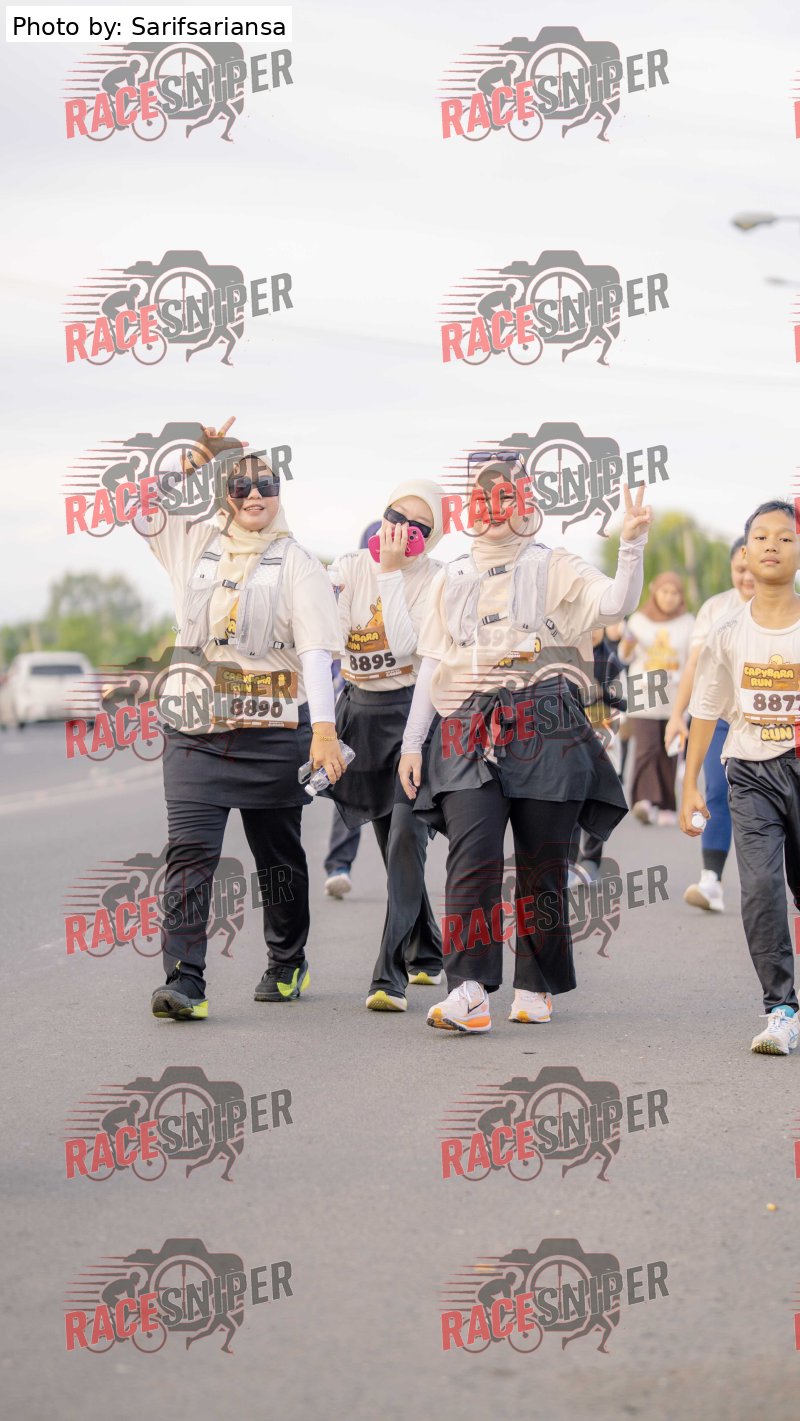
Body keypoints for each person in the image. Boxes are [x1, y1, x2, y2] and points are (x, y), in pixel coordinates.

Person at [397, 456, 652, 1034]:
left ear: (526, 502)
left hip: (546, 720)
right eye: (482, 497)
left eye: (506, 496)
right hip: (468, 722)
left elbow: (615, 604)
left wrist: (631, 545)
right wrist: (413, 744)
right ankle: (468, 991)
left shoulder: (554, 564)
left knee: (542, 863)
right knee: (471, 857)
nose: (493, 509)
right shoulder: (449, 575)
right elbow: (433, 660)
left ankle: (535, 985)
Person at [133, 417, 347, 1021]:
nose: (255, 495)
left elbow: (315, 650)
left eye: (266, 485)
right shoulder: (193, 542)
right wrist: (190, 458)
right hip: (195, 731)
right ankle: (185, 979)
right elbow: (142, 511)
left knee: (277, 858)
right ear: (223, 493)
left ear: (279, 494)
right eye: (240, 485)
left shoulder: (298, 562)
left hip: (273, 733)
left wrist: (324, 731)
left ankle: (287, 959)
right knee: (189, 853)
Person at [681, 500, 800, 1056]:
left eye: (786, 537)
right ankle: (781, 1009)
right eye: (762, 537)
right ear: (746, 554)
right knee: (760, 888)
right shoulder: (727, 631)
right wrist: (690, 784)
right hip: (750, 772)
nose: (773, 544)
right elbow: (705, 710)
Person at [327, 483, 446, 1011]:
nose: (403, 530)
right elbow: (328, 637)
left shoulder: (436, 580)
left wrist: (392, 574)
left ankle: (388, 976)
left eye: (419, 527)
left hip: (413, 719)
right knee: (392, 847)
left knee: (404, 840)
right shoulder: (350, 566)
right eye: (396, 516)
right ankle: (429, 952)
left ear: (430, 538)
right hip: (361, 717)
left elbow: (404, 646)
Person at [664, 537, 754, 912]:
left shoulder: (787, 607)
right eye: (739, 569)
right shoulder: (717, 608)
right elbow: (695, 665)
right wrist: (677, 715)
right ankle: (711, 881)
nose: (747, 576)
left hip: (772, 723)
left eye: (752, 568)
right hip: (720, 718)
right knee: (717, 791)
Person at [323, 521, 380, 900]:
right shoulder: (344, 597)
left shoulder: (408, 592)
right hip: (353, 709)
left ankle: (406, 874)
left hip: (398, 712)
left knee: (404, 796)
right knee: (350, 786)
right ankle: (339, 866)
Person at [620, 572, 694, 825]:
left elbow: (692, 659)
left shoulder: (688, 622)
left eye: (674, 593)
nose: (669, 598)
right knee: (646, 747)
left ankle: (666, 805)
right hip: (644, 690)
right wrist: (627, 643)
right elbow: (625, 655)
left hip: (674, 694)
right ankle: (644, 800)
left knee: (669, 750)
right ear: (655, 593)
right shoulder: (639, 620)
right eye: (665, 592)